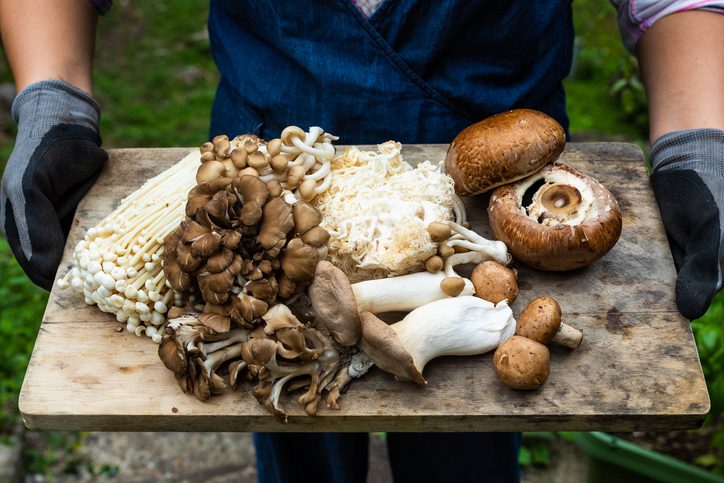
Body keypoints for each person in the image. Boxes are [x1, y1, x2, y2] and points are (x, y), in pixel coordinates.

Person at [0, 1, 721, 482]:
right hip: (270, 168)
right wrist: (53, 95)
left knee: (469, 442)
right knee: (295, 432)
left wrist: (697, 140)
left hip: (496, 175)